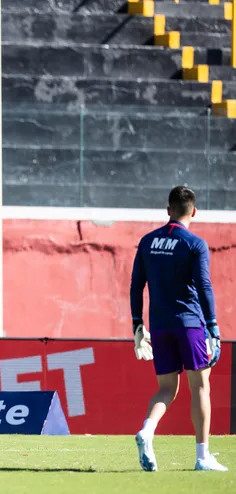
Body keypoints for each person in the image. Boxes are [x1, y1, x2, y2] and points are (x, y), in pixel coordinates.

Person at [130, 185, 226, 472]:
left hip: (159, 325)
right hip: (190, 323)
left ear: (168, 209)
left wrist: (137, 324)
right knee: (200, 387)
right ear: (193, 211)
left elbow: (136, 285)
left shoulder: (147, 241)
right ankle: (202, 457)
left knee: (166, 389)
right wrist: (213, 327)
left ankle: (147, 431)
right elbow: (204, 285)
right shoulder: (194, 244)